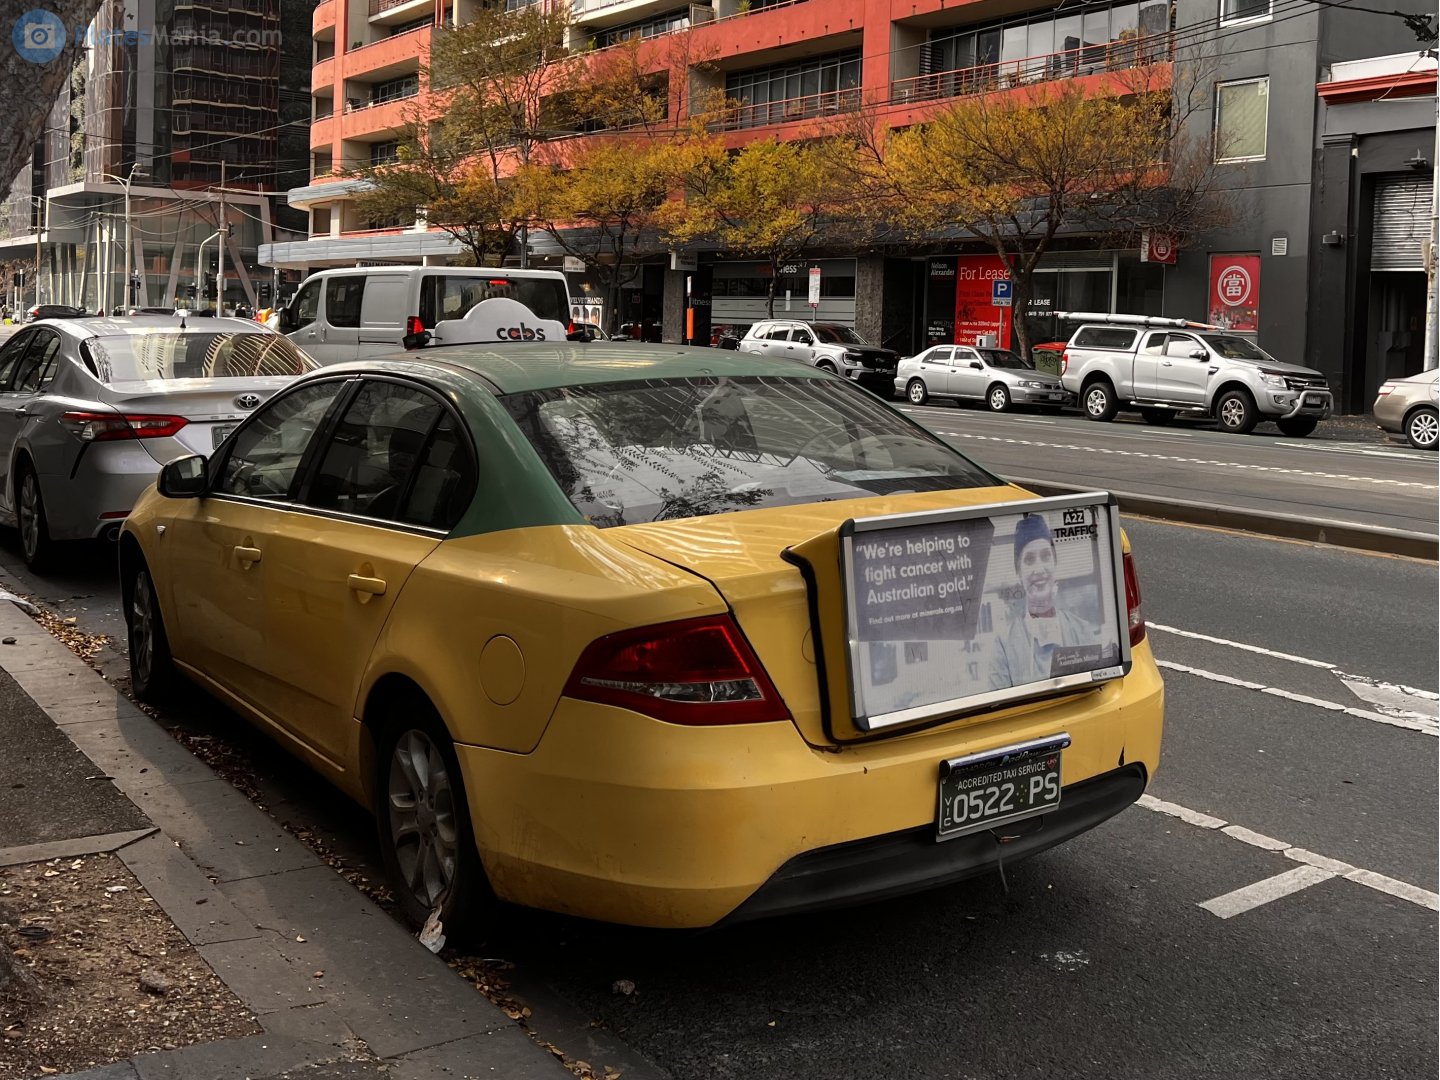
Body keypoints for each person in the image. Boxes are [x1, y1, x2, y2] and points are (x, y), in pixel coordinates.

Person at [987, 514, 1099, 690]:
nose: (1039, 569)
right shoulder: (1004, 645)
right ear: (1019, 573)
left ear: (1055, 564)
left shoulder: (1081, 629)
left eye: (1046, 556)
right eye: (1029, 560)